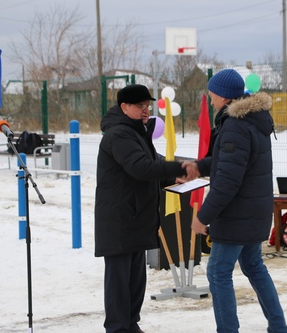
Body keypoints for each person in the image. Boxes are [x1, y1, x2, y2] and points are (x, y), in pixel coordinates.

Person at [190, 69, 287, 333]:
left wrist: (202, 217)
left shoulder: (234, 126)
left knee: (218, 272)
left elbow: (227, 182)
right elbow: (230, 163)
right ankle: (279, 327)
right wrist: (198, 167)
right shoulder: (252, 121)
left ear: (223, 96)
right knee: (254, 266)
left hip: (237, 215)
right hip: (254, 211)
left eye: (212, 96)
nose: (211, 101)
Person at [94, 84, 195, 333]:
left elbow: (153, 165)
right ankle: (118, 328)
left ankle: (130, 324)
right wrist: (180, 168)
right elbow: (141, 168)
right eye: (140, 106)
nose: (145, 110)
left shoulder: (136, 132)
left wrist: (176, 174)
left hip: (137, 218)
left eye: (147, 106)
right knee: (119, 282)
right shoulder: (118, 135)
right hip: (120, 221)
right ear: (124, 107)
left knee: (135, 280)